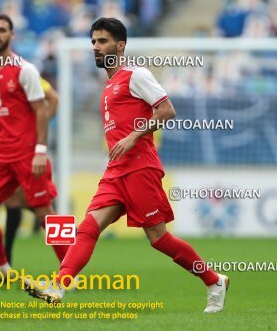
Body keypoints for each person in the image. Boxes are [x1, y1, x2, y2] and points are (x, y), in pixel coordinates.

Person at [24, 17, 229, 314]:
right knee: (87, 228)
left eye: (102, 41)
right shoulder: (108, 86)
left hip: (140, 168)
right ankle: (58, 285)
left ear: (120, 45)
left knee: (158, 239)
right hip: (115, 171)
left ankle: (214, 281)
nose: (96, 46)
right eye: (93, 41)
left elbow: (167, 110)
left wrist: (134, 136)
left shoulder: (135, 74)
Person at [0, 14, 68, 278]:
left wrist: (40, 150)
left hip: (28, 156)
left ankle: (70, 270)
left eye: (2, 30)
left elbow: (42, 109)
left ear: (11, 35)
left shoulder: (25, 70)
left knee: (46, 213)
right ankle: (2, 266)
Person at [0, 76, 59, 272]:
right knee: (13, 203)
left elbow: (54, 99)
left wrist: (35, 128)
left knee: (42, 210)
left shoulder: (24, 75)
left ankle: (72, 248)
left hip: (28, 152)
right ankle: (4, 262)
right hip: (10, 154)